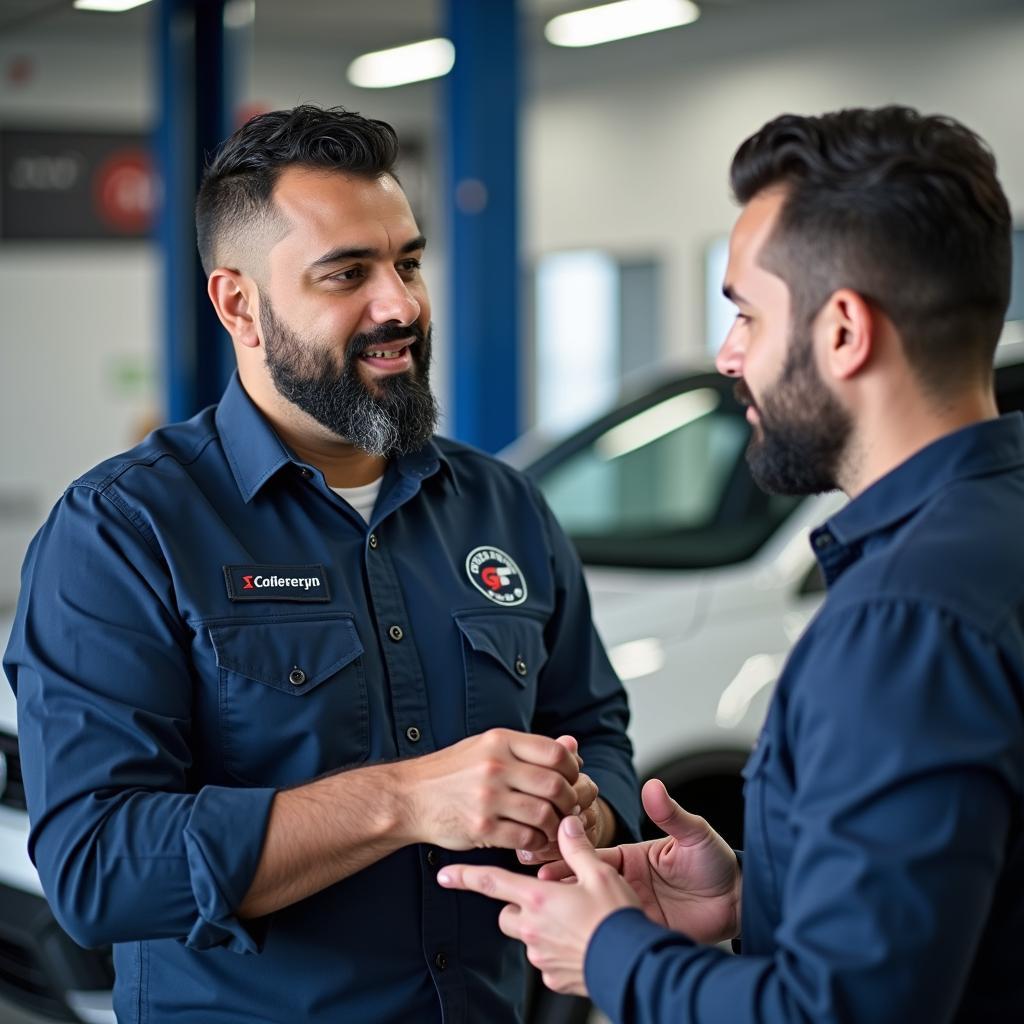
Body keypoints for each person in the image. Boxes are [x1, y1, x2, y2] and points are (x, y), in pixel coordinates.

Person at [3, 105, 640, 1024]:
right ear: (238, 305)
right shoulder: (122, 533)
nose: (402, 306)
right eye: (348, 274)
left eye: (409, 262)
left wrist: (586, 805)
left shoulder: (503, 507)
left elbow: (595, 726)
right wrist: (404, 799)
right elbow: (102, 872)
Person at [438, 105, 1024, 1023]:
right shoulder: (994, 534)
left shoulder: (903, 619)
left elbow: (842, 1012)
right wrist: (755, 894)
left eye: (747, 313)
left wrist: (612, 951)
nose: (728, 354)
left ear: (843, 332)